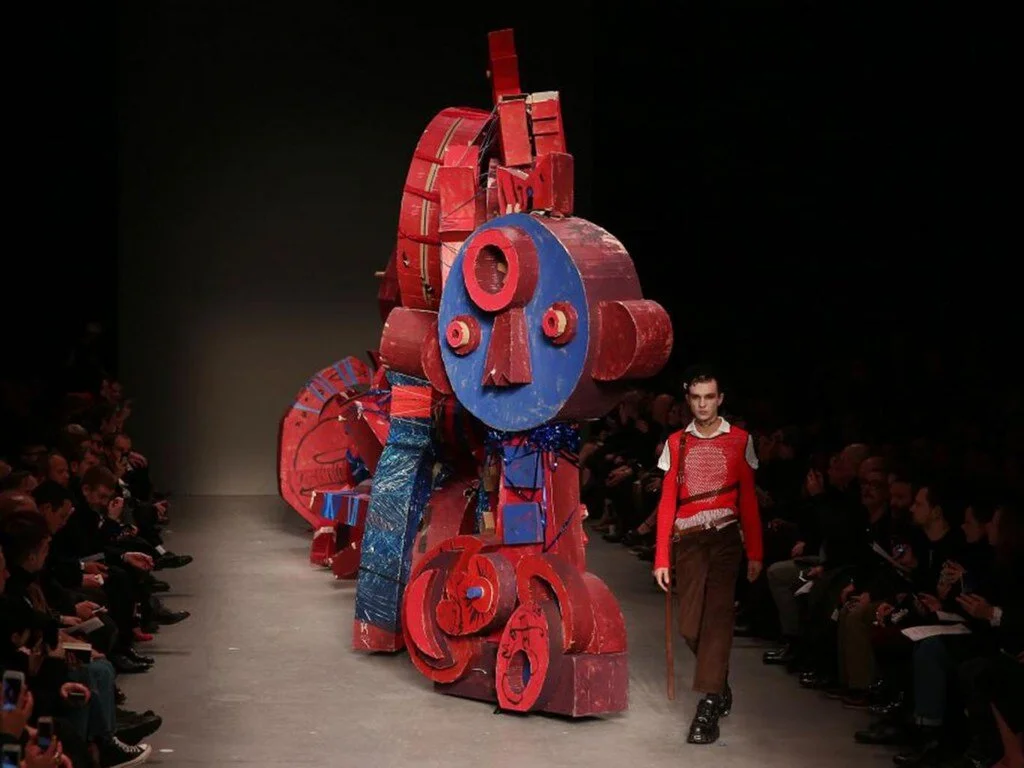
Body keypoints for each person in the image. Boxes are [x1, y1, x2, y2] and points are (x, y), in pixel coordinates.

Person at [653, 364, 763, 745]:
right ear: (689, 400)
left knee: (717, 617)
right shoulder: (676, 443)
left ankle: (709, 703)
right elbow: (667, 502)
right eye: (696, 398)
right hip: (688, 540)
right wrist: (661, 558)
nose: (703, 405)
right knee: (689, 625)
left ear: (720, 399)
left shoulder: (740, 440)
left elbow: (748, 500)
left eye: (709, 397)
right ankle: (719, 679)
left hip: (726, 539)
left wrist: (755, 552)